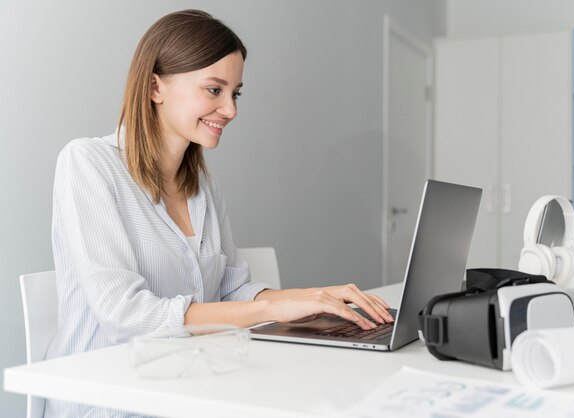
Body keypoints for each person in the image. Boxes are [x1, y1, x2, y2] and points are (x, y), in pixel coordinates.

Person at [48, 9, 393, 417]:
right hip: (110, 402)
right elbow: (127, 316)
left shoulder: (201, 184)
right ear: (156, 87)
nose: (230, 110)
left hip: (189, 389)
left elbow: (232, 289)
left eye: (235, 93)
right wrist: (269, 310)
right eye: (214, 90)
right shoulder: (88, 163)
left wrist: (310, 300)